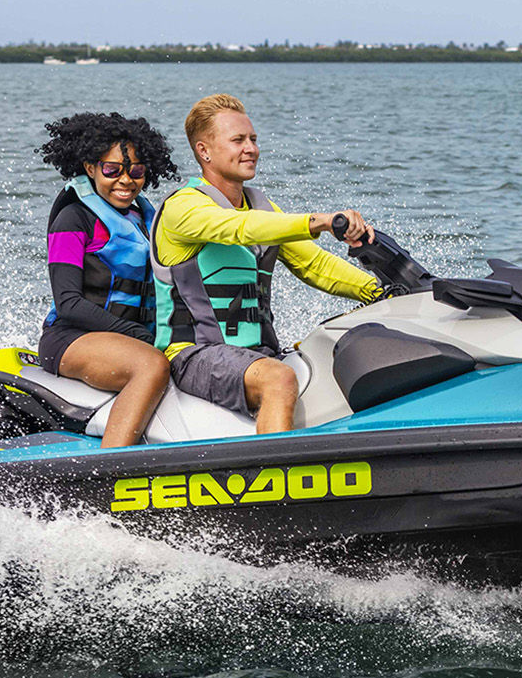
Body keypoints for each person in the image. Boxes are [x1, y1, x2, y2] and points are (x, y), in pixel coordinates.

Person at [152, 94, 383, 434]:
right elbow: (237, 229)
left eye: (254, 139)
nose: (251, 149)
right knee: (279, 379)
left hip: (256, 353)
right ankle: (275, 476)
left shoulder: (261, 207)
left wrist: (380, 292)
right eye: (238, 140)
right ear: (204, 151)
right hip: (194, 354)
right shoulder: (183, 208)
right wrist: (318, 222)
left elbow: (315, 264)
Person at [37, 111, 179, 447]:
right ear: (90, 168)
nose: (126, 181)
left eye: (137, 171)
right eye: (112, 170)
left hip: (133, 338)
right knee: (151, 366)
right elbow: (68, 303)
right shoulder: (74, 219)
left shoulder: (146, 219)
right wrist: (135, 334)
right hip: (72, 338)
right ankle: (111, 467)